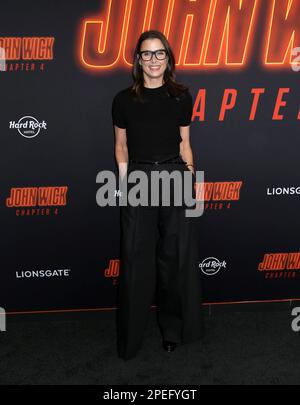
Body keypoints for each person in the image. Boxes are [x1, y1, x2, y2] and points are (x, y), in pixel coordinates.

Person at [112, 30, 203, 360]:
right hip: (138, 178)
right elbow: (121, 147)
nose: (153, 60)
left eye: (159, 53)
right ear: (138, 60)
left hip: (175, 176)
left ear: (169, 57)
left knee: (173, 260)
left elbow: (186, 145)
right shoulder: (123, 100)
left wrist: (190, 183)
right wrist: (123, 185)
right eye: (146, 54)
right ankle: (130, 340)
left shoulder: (181, 97)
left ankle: (173, 330)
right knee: (135, 261)